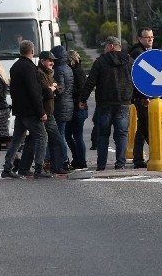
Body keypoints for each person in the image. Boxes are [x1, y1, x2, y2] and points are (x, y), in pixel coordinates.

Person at [80, 36, 133, 171]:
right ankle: (120, 164)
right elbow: (138, 81)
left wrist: (82, 99)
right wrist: (143, 98)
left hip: (104, 104)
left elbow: (90, 82)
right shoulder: (129, 61)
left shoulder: (100, 62)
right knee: (121, 134)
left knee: (103, 134)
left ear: (111, 45)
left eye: (106, 46)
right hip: (123, 103)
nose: (104, 48)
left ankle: (101, 164)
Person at [2, 40, 49, 178]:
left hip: (19, 110)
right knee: (42, 136)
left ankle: (7, 168)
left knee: (16, 139)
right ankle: (39, 168)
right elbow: (34, 92)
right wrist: (41, 112)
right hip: (30, 111)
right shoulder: (30, 68)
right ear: (32, 51)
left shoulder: (15, 66)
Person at [37, 50, 69, 175]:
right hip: (45, 112)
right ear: (42, 61)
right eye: (49, 60)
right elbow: (46, 92)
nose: (52, 63)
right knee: (55, 140)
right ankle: (52, 166)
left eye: (53, 61)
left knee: (53, 140)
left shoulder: (48, 73)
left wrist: (54, 87)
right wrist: (53, 88)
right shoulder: (40, 73)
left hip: (49, 112)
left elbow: (60, 88)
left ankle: (56, 166)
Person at [129, 27, 155, 169]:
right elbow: (140, 78)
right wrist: (145, 96)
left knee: (143, 127)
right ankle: (139, 158)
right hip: (141, 98)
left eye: (151, 37)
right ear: (140, 39)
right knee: (144, 127)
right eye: (147, 37)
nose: (150, 39)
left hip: (143, 97)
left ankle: (139, 157)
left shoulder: (146, 52)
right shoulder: (138, 53)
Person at [50, 45, 74, 173]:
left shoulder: (59, 70)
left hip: (60, 106)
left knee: (60, 136)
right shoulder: (68, 68)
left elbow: (60, 89)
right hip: (68, 105)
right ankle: (62, 160)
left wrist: (52, 88)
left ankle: (63, 160)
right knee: (62, 134)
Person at [66, 50, 89, 169]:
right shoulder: (78, 70)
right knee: (72, 135)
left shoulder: (77, 72)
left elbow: (80, 90)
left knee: (75, 135)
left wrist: (67, 90)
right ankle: (78, 159)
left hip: (77, 108)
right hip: (78, 108)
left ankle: (81, 160)